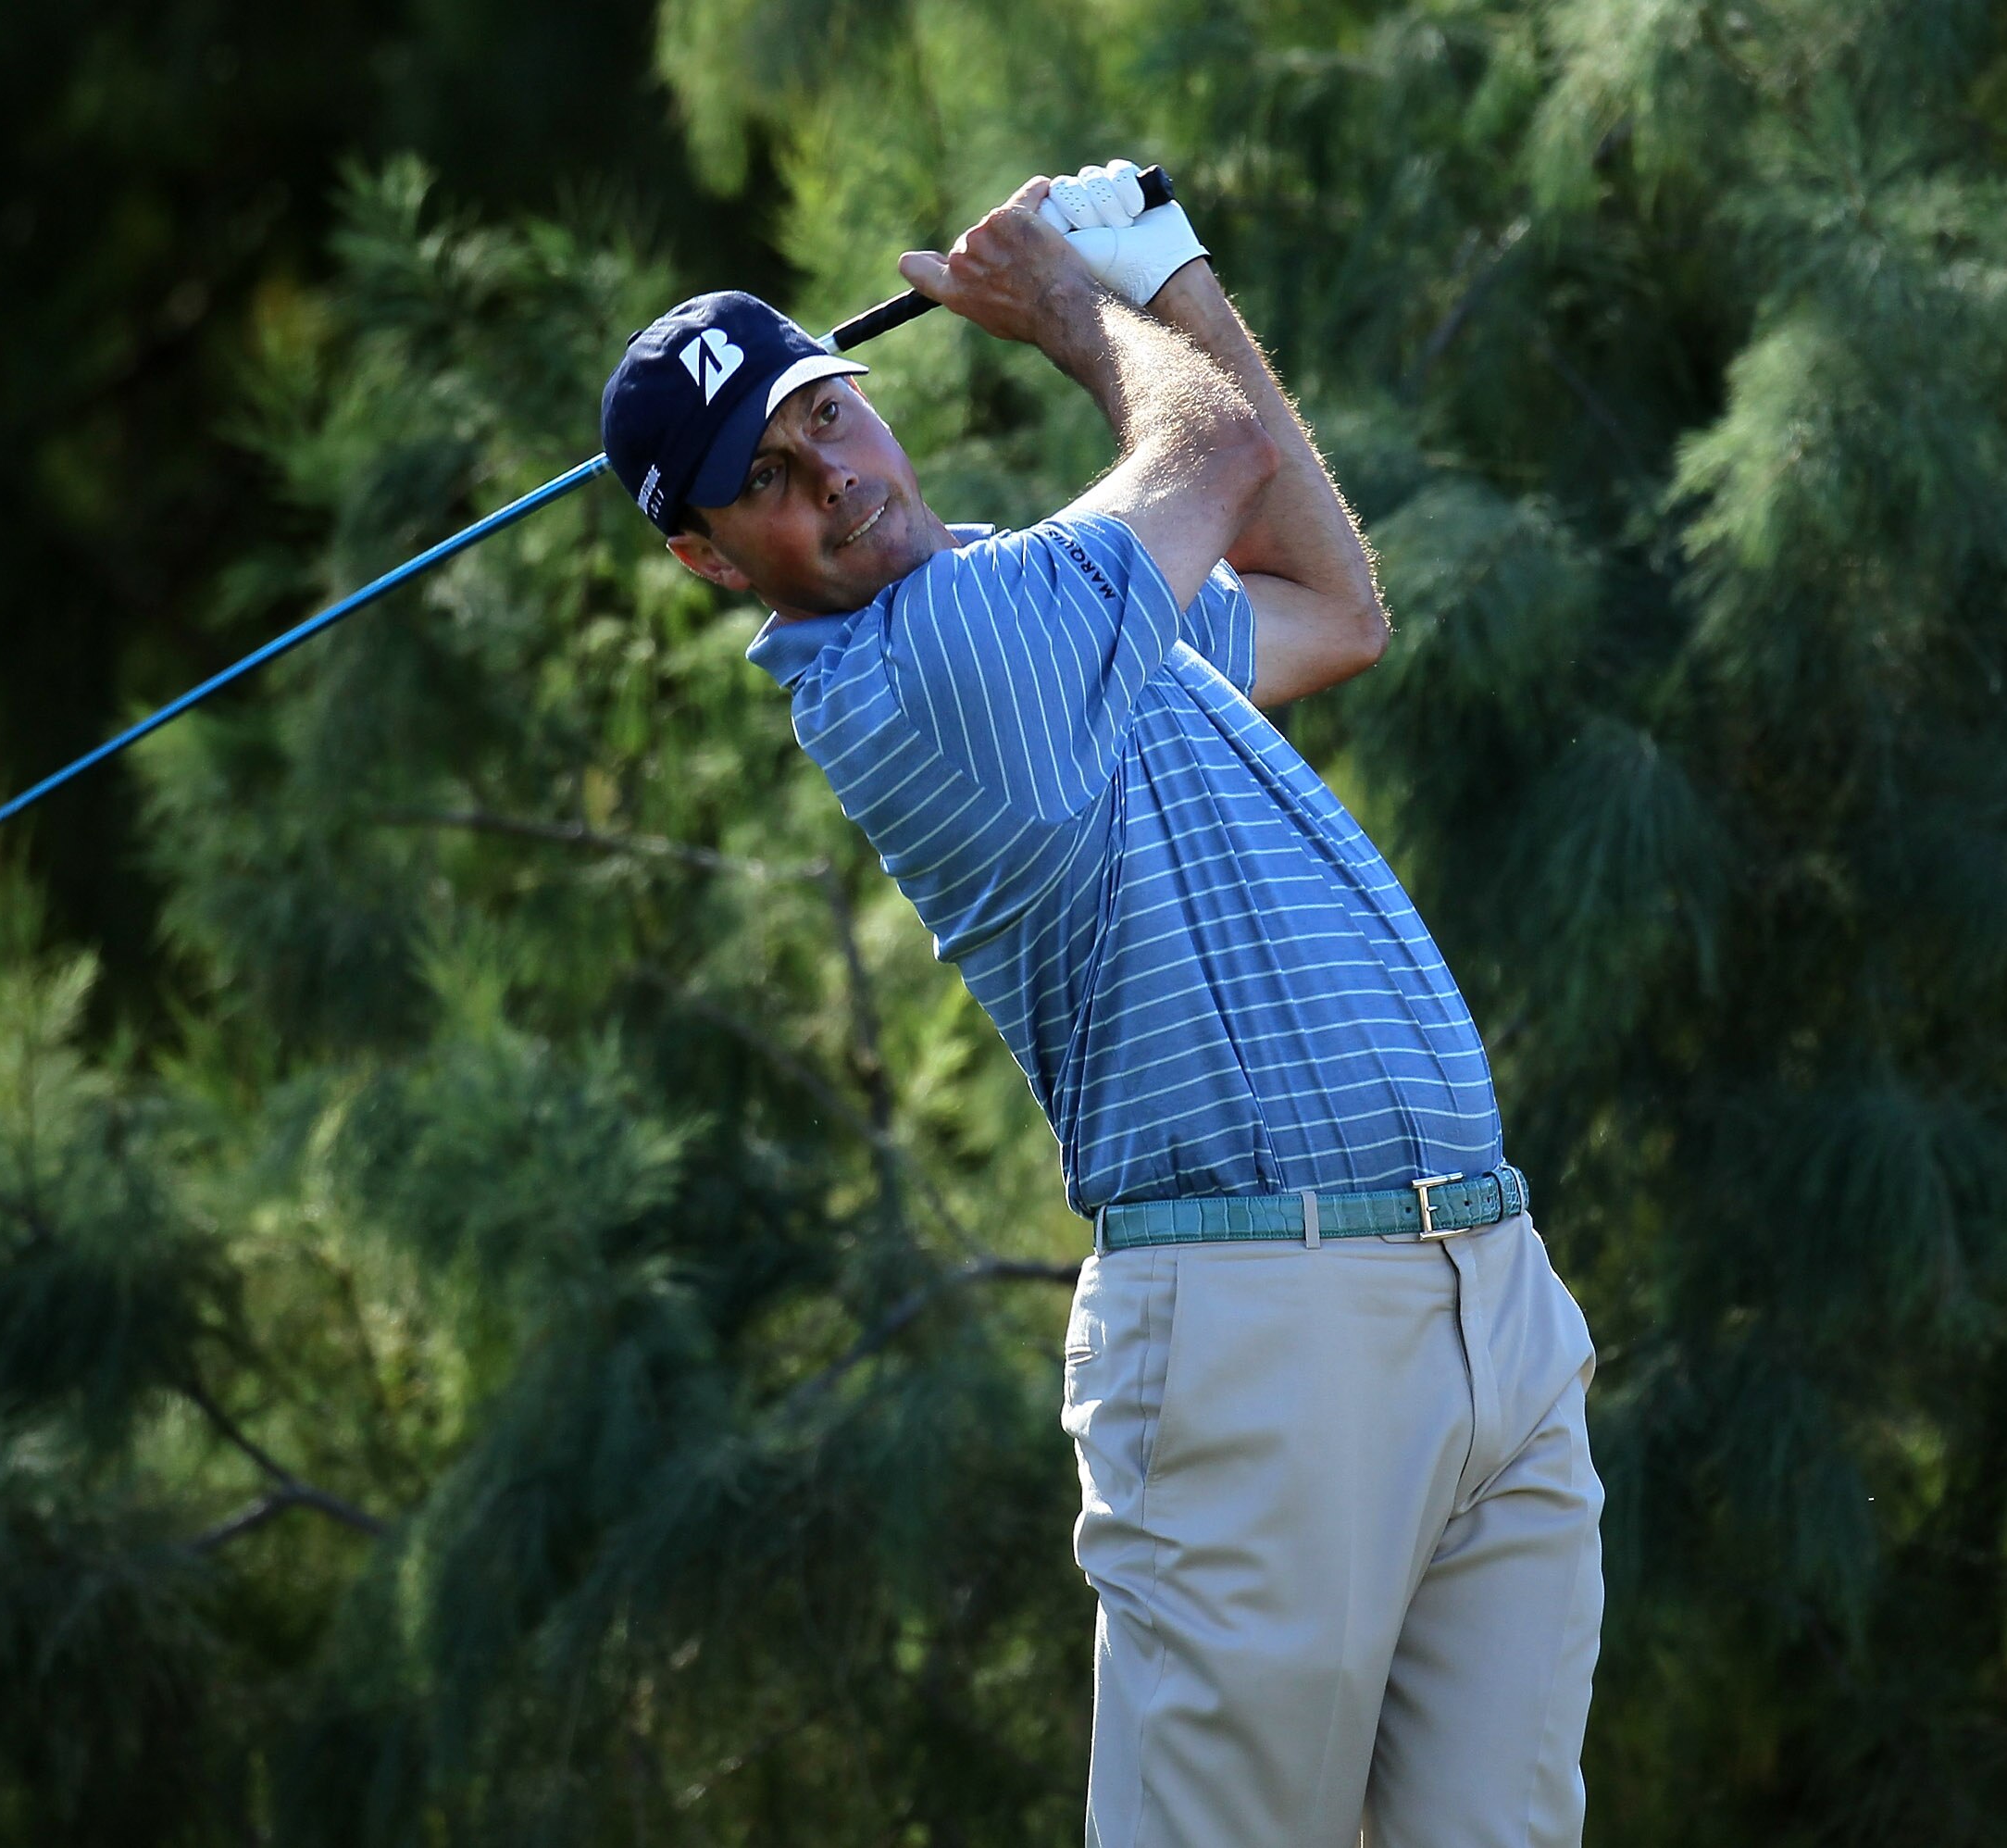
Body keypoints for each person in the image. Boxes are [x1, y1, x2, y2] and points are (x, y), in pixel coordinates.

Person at [598, 163, 1603, 1847]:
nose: (830, 481)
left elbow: (1333, 608)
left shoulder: (1048, 606)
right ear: (708, 562)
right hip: (1260, 1333)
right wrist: (1077, 302)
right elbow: (1210, 454)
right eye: (761, 486)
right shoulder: (933, 668)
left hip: (1482, 1304)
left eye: (825, 414)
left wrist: (1171, 273)